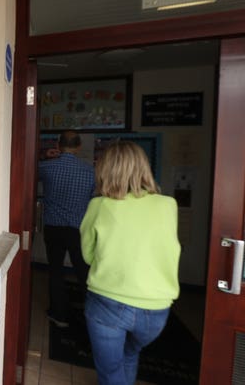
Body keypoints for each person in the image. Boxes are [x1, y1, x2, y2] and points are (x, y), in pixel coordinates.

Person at [80, 141, 181, 385]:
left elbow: (88, 255)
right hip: (155, 310)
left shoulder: (99, 205)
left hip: (108, 303)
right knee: (130, 352)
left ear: (104, 170)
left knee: (110, 372)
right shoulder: (168, 205)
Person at [38, 130, 95, 327]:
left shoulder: (45, 167)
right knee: (83, 271)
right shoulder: (90, 172)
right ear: (79, 146)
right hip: (79, 229)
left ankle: (59, 315)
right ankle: (94, 316)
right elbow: (94, 200)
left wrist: (45, 156)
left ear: (58, 144)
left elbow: (31, 172)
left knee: (55, 271)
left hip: (53, 227)